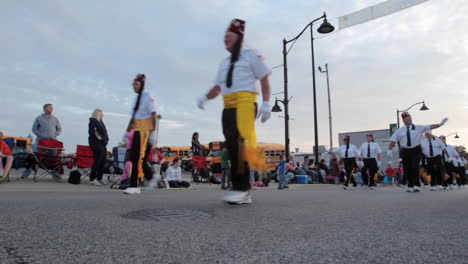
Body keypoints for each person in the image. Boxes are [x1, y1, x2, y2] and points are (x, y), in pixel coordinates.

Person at [197, 19, 272, 205]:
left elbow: (264, 78)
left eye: (229, 37)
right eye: (224, 37)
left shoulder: (251, 55)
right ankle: (242, 189)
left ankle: (242, 189)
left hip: (246, 103)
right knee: (231, 145)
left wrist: (267, 103)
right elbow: (217, 88)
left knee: (239, 144)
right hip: (228, 105)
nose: (225, 40)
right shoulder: (224, 63)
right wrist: (205, 97)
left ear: (239, 37)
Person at [388, 112, 447, 192]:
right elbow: (393, 140)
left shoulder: (418, 127)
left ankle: (416, 185)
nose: (410, 120)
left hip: (415, 149)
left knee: (415, 167)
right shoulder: (400, 131)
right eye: (408, 119)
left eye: (410, 118)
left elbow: (429, 126)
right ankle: (410, 185)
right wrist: (390, 149)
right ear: (403, 120)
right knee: (407, 168)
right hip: (405, 150)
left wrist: (439, 124)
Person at [123, 74, 159, 195]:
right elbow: (133, 117)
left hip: (145, 130)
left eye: (136, 84)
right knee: (136, 158)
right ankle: (150, 177)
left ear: (142, 84)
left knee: (137, 157)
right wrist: (127, 132)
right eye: (133, 84)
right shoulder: (136, 99)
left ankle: (135, 185)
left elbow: (153, 114)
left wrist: (152, 133)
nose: (134, 86)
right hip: (138, 129)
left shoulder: (148, 96)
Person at [24, 103, 62, 177]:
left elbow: (59, 129)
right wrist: (41, 135)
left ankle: (54, 173)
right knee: (32, 155)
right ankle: (26, 172)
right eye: (49, 108)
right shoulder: (39, 118)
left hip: (52, 142)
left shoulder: (55, 119)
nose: (51, 109)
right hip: (40, 142)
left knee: (54, 158)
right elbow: (34, 129)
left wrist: (55, 135)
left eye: (52, 108)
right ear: (44, 109)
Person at [88, 109, 109, 186]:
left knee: (103, 161)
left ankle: (99, 178)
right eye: (101, 114)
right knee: (97, 160)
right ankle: (92, 179)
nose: (103, 115)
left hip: (103, 144)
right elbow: (94, 132)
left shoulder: (101, 122)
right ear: (97, 114)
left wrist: (106, 140)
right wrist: (102, 139)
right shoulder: (93, 121)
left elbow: (105, 132)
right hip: (96, 143)